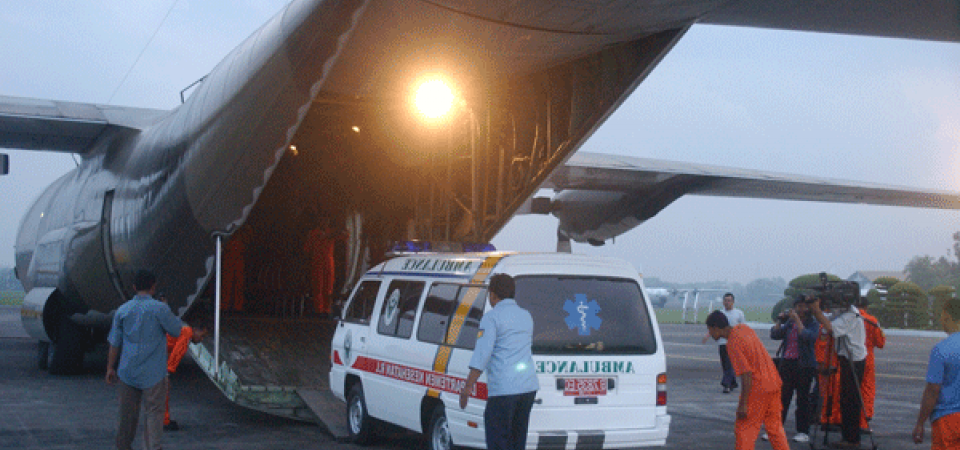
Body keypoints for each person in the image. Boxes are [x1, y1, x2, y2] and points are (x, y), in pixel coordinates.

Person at [459, 274, 539, 450]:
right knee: (517, 441)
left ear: (493, 294)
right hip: (528, 388)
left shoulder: (491, 318)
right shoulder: (526, 316)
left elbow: (482, 355)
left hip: (504, 391)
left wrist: (467, 388)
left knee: (498, 442)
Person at [106, 269, 183, 450]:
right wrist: (166, 306)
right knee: (154, 415)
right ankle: (152, 447)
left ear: (134, 287)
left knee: (126, 416)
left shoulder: (122, 311)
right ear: (153, 287)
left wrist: (110, 368)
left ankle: (123, 446)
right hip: (154, 374)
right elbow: (176, 330)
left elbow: (114, 343)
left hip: (127, 372)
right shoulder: (160, 309)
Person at [705, 310, 789, 450]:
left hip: (758, 388)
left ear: (716, 328)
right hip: (774, 383)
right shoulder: (744, 329)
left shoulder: (732, 343)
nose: (709, 334)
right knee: (775, 429)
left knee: (744, 430)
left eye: (709, 330)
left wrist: (743, 404)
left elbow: (746, 374)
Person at [811, 296, 867, 449]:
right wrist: (817, 311)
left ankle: (852, 438)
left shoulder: (849, 314)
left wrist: (817, 310)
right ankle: (848, 436)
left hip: (853, 360)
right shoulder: (845, 312)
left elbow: (830, 327)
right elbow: (828, 319)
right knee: (845, 399)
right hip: (847, 358)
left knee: (851, 400)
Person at [769, 295, 820, 443]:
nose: (801, 309)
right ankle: (776, 428)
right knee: (783, 398)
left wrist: (797, 321)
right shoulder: (789, 323)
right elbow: (775, 335)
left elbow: (808, 337)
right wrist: (780, 320)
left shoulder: (812, 323)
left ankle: (803, 431)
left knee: (802, 399)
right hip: (787, 363)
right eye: (798, 306)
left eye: (804, 306)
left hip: (804, 365)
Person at [913, 296, 960, 448]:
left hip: (948, 419)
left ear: (947, 316)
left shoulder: (941, 350)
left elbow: (932, 391)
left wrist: (920, 422)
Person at [164, 321, 210, 431]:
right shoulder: (187, 333)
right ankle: (164, 421)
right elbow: (177, 352)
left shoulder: (182, 330)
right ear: (195, 330)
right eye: (202, 335)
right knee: (163, 390)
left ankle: (163, 420)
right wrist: (168, 372)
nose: (201, 339)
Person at [702, 292, 747, 393]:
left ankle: (726, 384)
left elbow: (743, 328)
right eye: (725, 300)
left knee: (730, 364)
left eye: (729, 301)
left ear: (733, 302)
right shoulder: (719, 314)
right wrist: (708, 335)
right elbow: (714, 327)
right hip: (722, 343)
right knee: (726, 364)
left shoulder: (739, 313)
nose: (727, 303)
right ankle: (732, 383)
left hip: (734, 343)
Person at [858, 298, 885, 432]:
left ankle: (842, 421)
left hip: (848, 358)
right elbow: (880, 342)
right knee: (866, 390)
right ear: (866, 307)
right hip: (867, 358)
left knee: (847, 391)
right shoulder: (871, 320)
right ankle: (863, 421)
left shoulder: (848, 319)